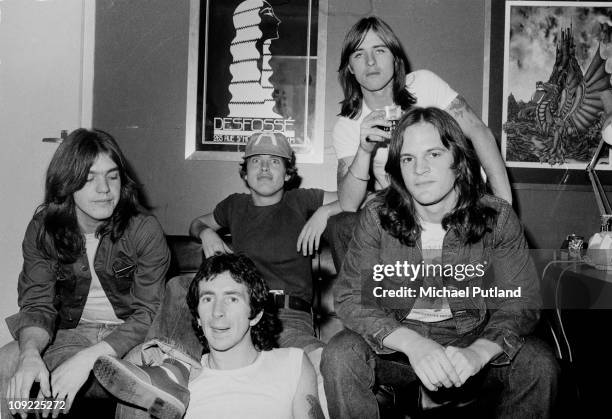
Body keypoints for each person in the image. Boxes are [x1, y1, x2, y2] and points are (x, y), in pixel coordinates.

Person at [320, 107, 558, 418]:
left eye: (433, 154)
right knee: (340, 354)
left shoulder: (497, 218)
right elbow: (351, 297)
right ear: (398, 169)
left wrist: (480, 351)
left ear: (458, 162)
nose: (419, 169)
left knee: (538, 363)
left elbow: (522, 302)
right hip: (399, 342)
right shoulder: (377, 216)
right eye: (408, 159)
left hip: (472, 336)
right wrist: (414, 345)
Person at [0, 129, 170, 418]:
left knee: (143, 385)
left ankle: (136, 377)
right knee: (9, 361)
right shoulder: (43, 230)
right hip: (69, 334)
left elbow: (149, 312)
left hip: (130, 335)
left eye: (112, 176)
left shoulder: (144, 229)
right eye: (89, 178)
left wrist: (89, 358)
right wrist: (30, 354)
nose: (104, 189)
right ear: (66, 184)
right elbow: (38, 304)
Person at [94, 253, 324, 419]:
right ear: (196, 317)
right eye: (207, 299)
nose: (217, 312)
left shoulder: (292, 363)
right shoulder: (173, 386)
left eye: (232, 298)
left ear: (255, 314)